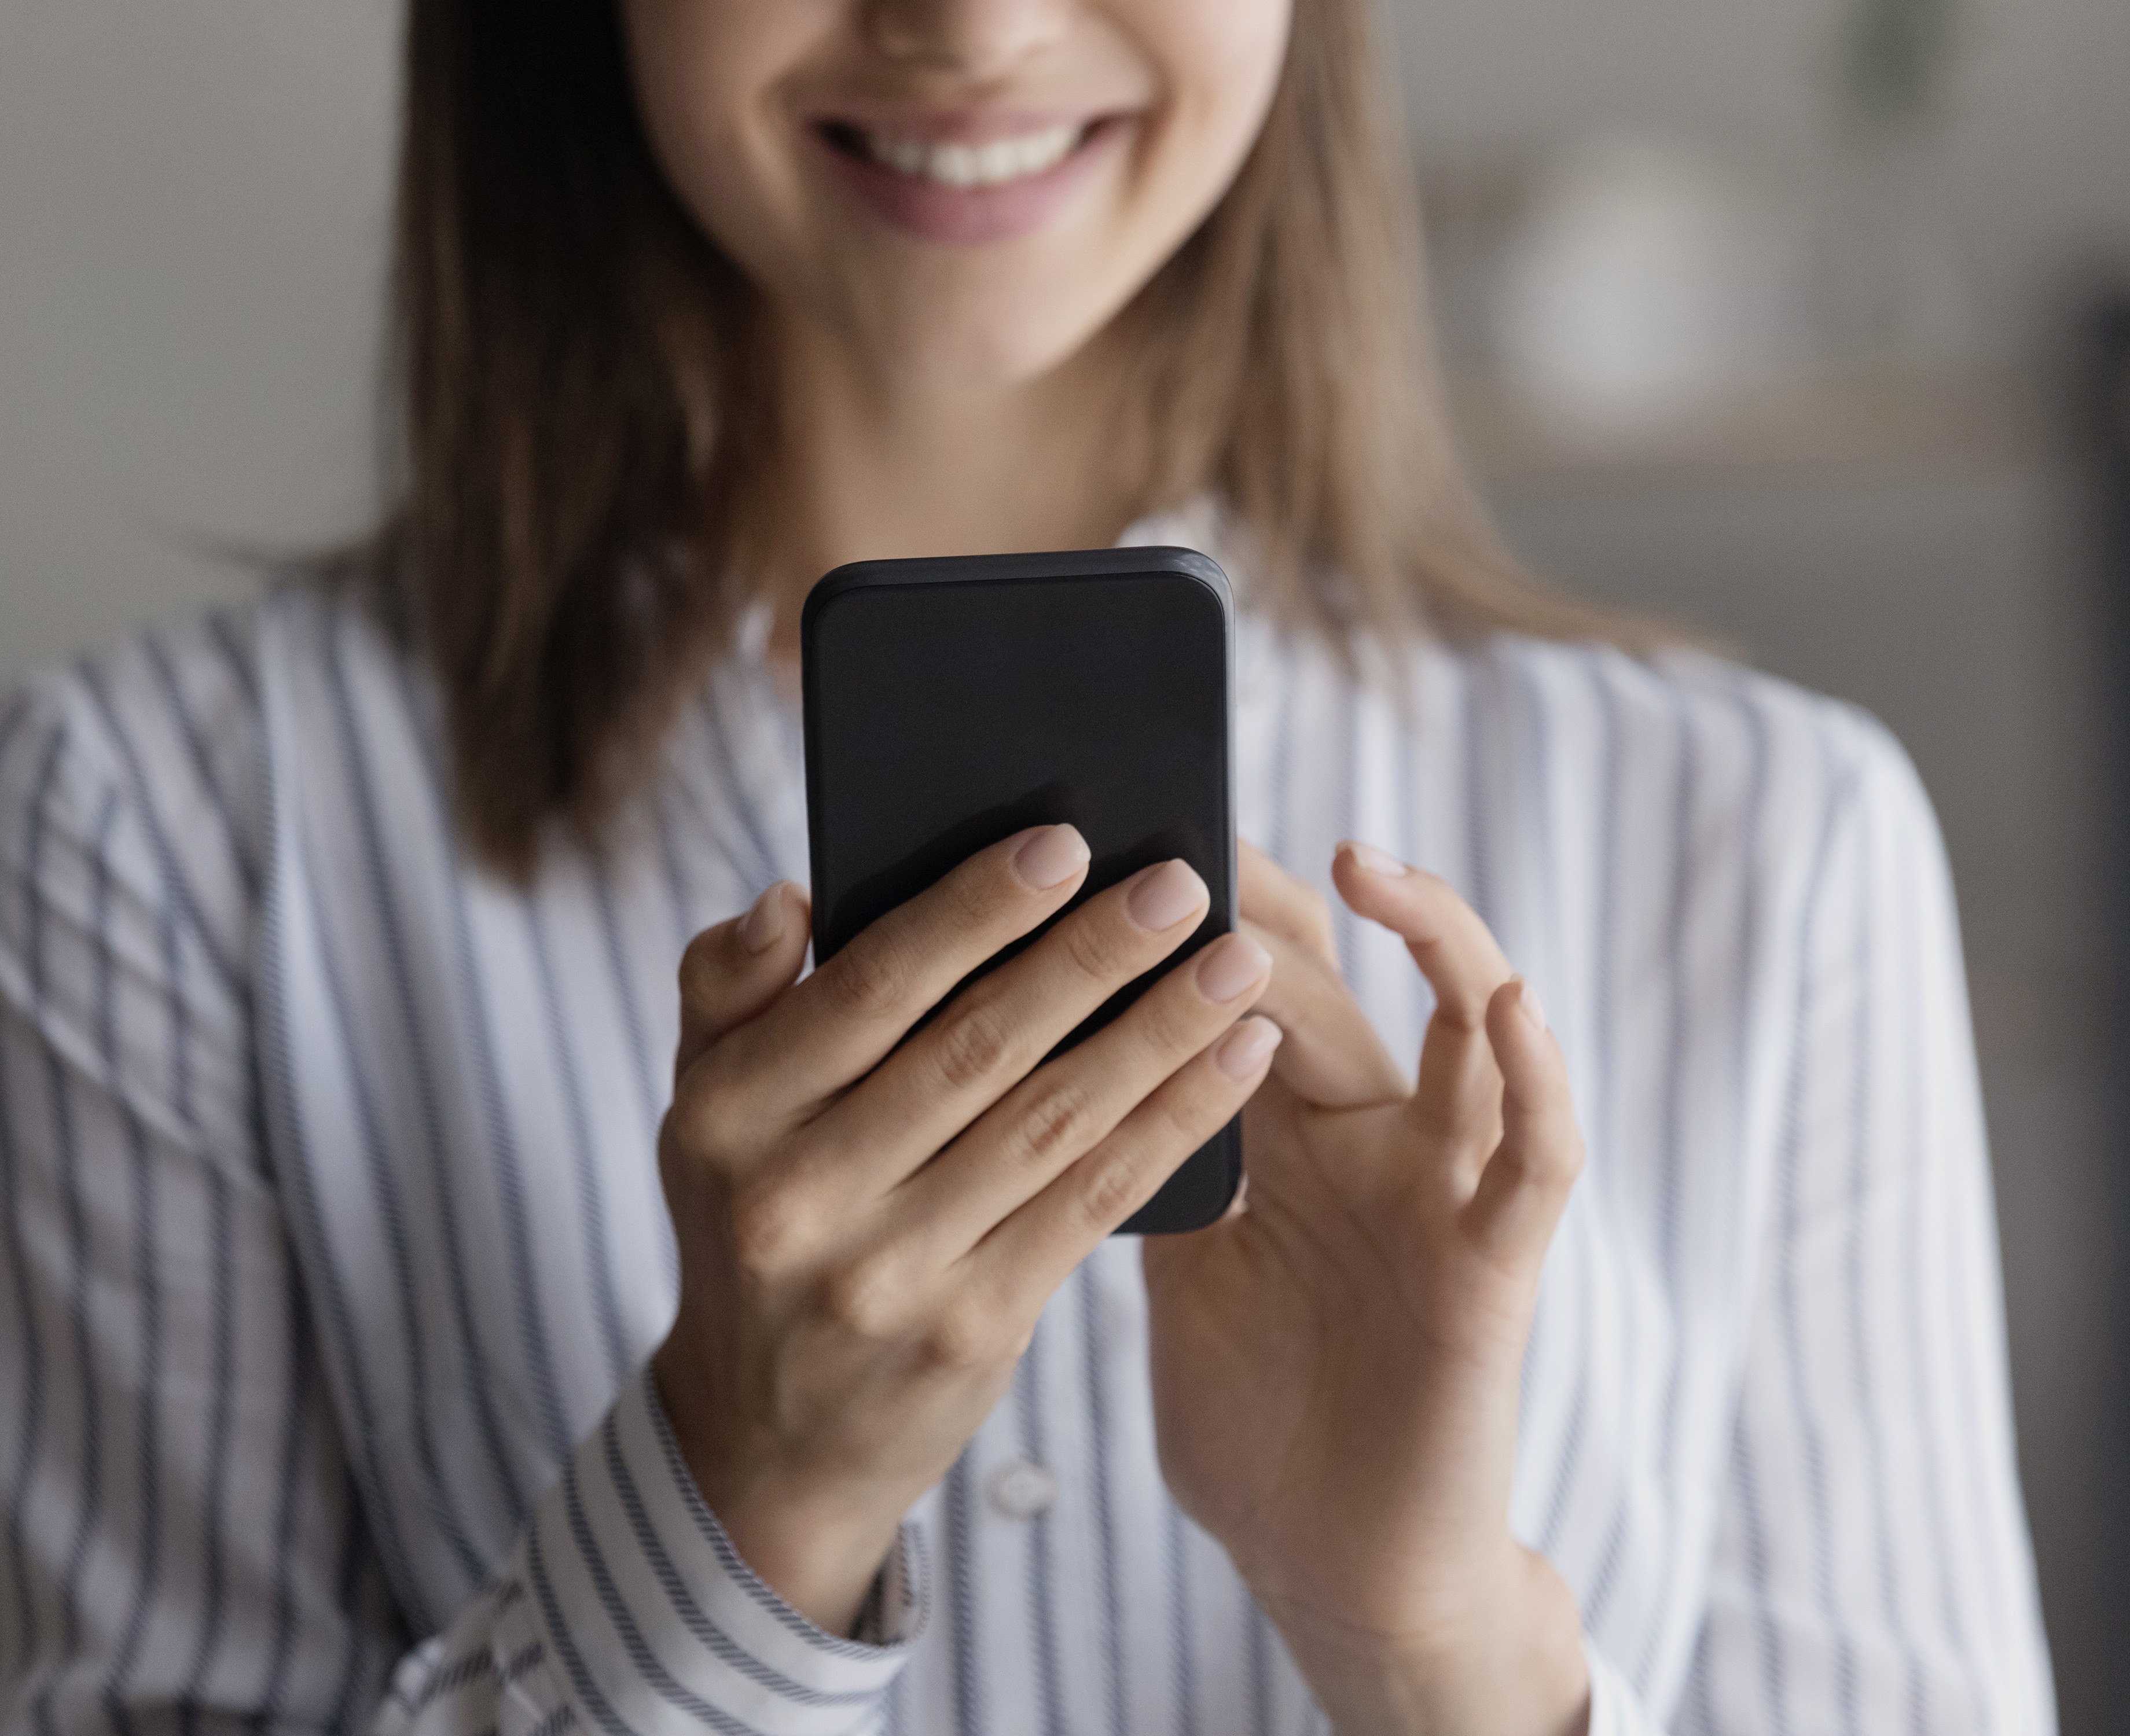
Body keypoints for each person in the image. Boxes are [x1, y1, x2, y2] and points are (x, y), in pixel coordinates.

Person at [0, 0, 2056, 1731]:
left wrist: (1442, 1646)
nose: (971, 25)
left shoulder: (1769, 839)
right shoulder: (169, 828)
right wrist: (736, 1516)